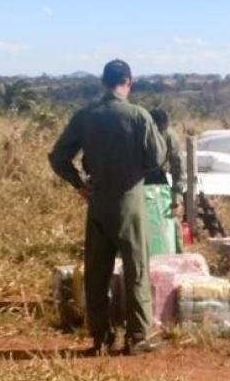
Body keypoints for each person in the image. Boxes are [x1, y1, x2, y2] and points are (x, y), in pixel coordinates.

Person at [48, 59, 166, 354]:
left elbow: (59, 157)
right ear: (129, 81)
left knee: (97, 272)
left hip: (97, 201)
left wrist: (79, 184)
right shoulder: (139, 116)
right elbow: (157, 159)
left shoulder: (86, 116)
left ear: (103, 82)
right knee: (136, 268)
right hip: (130, 202)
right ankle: (138, 336)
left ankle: (100, 337)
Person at [146, 108, 186, 214]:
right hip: (138, 178)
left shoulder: (170, 137)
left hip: (159, 176)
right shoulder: (138, 134)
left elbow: (178, 165)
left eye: (161, 130)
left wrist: (177, 193)